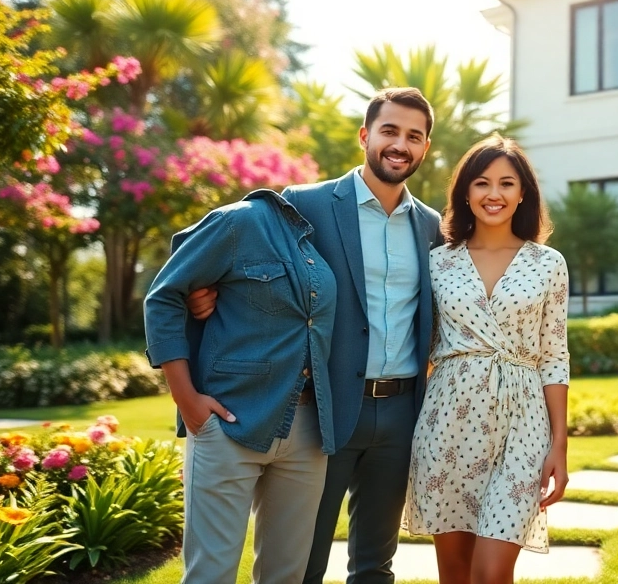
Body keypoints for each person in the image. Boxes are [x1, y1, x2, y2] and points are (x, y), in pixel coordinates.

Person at [187, 87, 443, 584]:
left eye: (414, 136)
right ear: (365, 136)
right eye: (390, 131)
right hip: (323, 409)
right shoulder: (305, 203)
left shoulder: (431, 226)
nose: (400, 144)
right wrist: (207, 294)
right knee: (304, 562)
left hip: (401, 412)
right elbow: (251, 269)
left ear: (425, 147)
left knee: (376, 564)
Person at [144, 188, 338, 584]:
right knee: (210, 575)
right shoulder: (239, 221)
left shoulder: (316, 246)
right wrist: (186, 399)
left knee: (286, 577)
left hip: (307, 431)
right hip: (230, 421)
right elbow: (163, 297)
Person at [403, 134, 571, 584]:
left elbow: (554, 356)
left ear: (523, 194)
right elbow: (418, 341)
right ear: (465, 193)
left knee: (492, 573)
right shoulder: (438, 262)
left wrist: (559, 444)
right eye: (481, 183)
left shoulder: (548, 263)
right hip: (448, 423)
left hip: (523, 424)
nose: (493, 194)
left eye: (506, 183)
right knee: (455, 573)